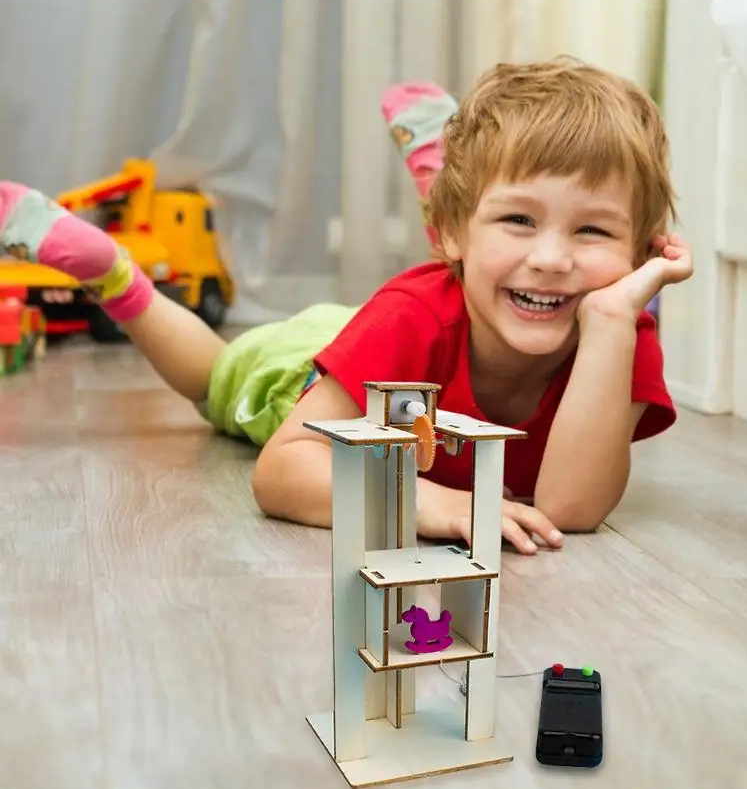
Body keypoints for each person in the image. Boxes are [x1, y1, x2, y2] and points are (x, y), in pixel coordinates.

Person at [0, 58, 693, 555]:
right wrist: (426, 502)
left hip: (425, 321)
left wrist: (607, 323)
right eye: (519, 220)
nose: (553, 258)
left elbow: (569, 510)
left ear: (640, 255)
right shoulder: (410, 317)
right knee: (214, 377)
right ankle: (113, 276)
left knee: (483, 270)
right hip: (313, 365)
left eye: (593, 230)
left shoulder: (616, 326)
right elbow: (280, 471)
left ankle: (456, 187)